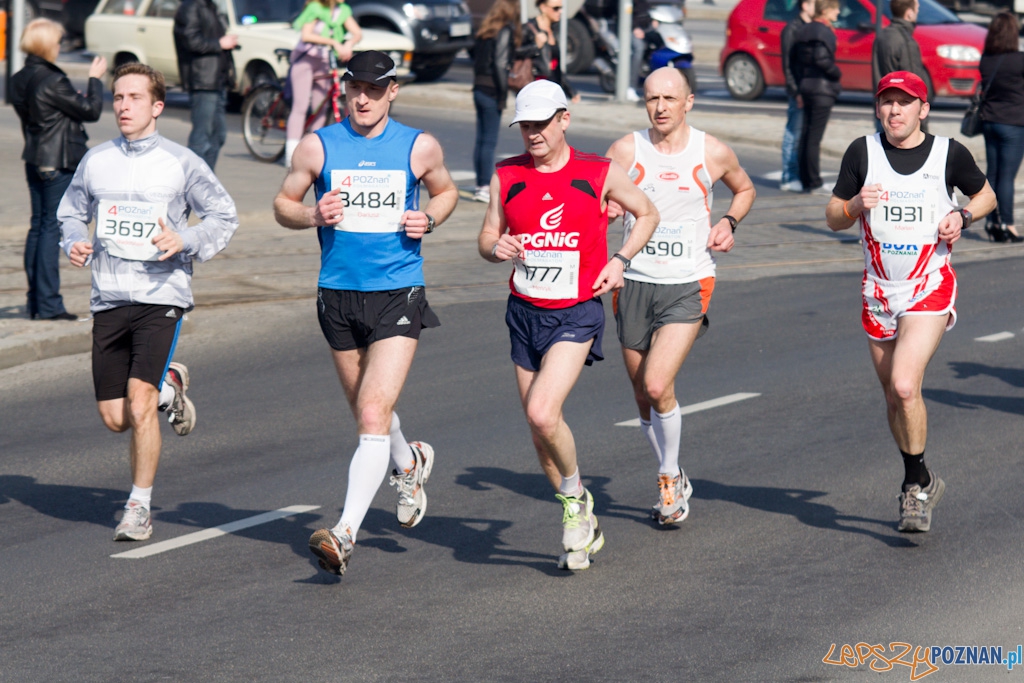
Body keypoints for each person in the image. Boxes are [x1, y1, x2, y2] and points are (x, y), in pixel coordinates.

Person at [273, 51, 459, 577]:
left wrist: (429, 217)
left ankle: (345, 532)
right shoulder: (319, 144)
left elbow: (445, 193)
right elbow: (282, 203)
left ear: (392, 91)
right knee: (366, 410)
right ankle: (409, 462)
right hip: (336, 294)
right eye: (356, 87)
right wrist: (310, 212)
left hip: (398, 290)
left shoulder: (418, 146)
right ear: (345, 87)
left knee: (374, 412)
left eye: (375, 90)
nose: (363, 98)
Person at [478, 79, 659, 570]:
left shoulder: (598, 173)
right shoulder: (506, 175)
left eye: (541, 123)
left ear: (564, 119)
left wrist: (620, 259)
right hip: (524, 312)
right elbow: (488, 236)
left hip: (575, 312)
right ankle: (575, 512)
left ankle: (577, 498)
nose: (532, 134)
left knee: (541, 412)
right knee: (541, 431)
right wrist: (497, 248)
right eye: (525, 126)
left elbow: (647, 212)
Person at [57, 63, 239, 541]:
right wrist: (73, 241)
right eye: (118, 97)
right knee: (116, 418)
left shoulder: (181, 162)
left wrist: (187, 240)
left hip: (163, 296)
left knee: (138, 406)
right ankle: (168, 388)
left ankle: (138, 507)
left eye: (134, 97)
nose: (123, 106)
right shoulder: (96, 160)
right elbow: (71, 213)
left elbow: (224, 214)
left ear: (157, 107)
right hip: (110, 297)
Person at [825, 71, 995, 533]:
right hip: (878, 288)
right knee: (893, 396)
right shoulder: (863, 152)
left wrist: (961, 215)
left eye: (904, 102)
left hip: (928, 285)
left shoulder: (948, 154)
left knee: (904, 384)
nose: (894, 111)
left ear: (923, 108)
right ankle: (919, 476)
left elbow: (987, 196)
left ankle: (913, 491)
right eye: (887, 102)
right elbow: (833, 217)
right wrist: (856, 204)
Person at [604, 67, 755, 525]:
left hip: (689, 280)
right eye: (652, 99)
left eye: (670, 98)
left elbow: (744, 189)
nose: (661, 107)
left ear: (688, 101)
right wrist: (608, 209)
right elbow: (601, 203)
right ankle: (672, 470)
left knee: (656, 381)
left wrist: (729, 222)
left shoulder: (711, 151)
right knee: (642, 393)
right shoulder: (626, 150)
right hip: (634, 281)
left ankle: (669, 476)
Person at [10, 19, 105, 322]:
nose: (60, 46)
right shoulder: (52, 80)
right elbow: (90, 110)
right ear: (47, 44)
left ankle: (36, 301)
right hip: (57, 161)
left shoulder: (19, 78)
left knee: (38, 228)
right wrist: (95, 79)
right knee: (51, 230)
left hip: (34, 159)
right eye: (58, 41)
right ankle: (49, 305)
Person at [284, 0, 362, 169]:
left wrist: (349, 43)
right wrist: (334, 42)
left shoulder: (342, 10)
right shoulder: (316, 8)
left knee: (321, 106)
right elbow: (306, 35)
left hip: (325, 60)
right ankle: (290, 153)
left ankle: (313, 150)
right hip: (305, 59)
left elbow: (357, 32)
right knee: (301, 106)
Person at [173, 0, 238, 170]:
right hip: (203, 81)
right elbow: (191, 41)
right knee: (201, 138)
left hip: (217, 80)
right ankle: (192, 182)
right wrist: (220, 44)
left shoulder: (210, 6)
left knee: (218, 135)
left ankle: (206, 179)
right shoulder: (190, 6)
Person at [978, 12, 1024, 243]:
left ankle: (991, 221)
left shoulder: (986, 59)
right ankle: (1008, 225)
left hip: (989, 122)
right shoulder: (1019, 60)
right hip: (1013, 124)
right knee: (1006, 177)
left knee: (993, 174)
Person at [471, 0, 522, 203]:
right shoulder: (505, 31)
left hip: (478, 88)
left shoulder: (485, 31)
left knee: (481, 139)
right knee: (489, 140)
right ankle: (484, 186)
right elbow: (501, 64)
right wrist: (503, 94)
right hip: (492, 90)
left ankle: (480, 184)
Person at [793, 0, 841, 195]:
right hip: (821, 88)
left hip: (807, 85)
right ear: (826, 10)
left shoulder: (803, 30)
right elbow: (821, 58)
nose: (838, 12)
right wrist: (835, 73)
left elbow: (795, 61)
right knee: (814, 137)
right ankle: (814, 181)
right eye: (836, 8)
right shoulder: (822, 31)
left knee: (806, 134)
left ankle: (806, 179)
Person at [871, 0, 927, 133]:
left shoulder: (882, 36)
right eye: (917, 9)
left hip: (884, 106)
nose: (918, 13)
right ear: (909, 13)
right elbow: (913, 82)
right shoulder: (905, 41)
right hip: (902, 115)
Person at [780, 0, 814, 193]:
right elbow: (788, 65)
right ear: (805, 5)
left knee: (802, 134)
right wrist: (796, 91)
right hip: (798, 91)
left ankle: (798, 174)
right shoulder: (792, 29)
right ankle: (788, 176)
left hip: (807, 89)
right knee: (793, 132)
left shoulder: (808, 27)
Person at [521, 0, 580, 105]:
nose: (560, 11)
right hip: (535, 89)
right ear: (543, 7)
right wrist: (535, 46)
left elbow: (555, 67)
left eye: (561, 8)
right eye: (556, 8)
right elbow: (514, 53)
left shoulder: (553, 30)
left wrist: (571, 91)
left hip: (552, 89)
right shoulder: (529, 29)